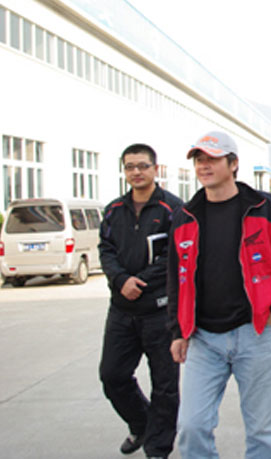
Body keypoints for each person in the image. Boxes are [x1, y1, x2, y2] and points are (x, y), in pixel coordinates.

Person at [167, 131, 271, 458]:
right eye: (199, 160)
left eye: (212, 159)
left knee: (262, 433)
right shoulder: (185, 216)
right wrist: (177, 330)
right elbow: (176, 277)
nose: (204, 166)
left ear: (233, 164)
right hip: (203, 339)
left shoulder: (264, 207)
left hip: (255, 334)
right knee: (191, 427)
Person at [99, 143, 183, 459]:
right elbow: (105, 249)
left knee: (165, 385)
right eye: (130, 166)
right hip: (122, 311)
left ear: (155, 169)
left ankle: (158, 448)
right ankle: (142, 423)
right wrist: (121, 280)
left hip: (159, 312)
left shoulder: (173, 209)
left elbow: (176, 256)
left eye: (142, 166)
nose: (136, 172)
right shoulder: (114, 210)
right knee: (112, 376)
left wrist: (141, 282)